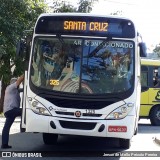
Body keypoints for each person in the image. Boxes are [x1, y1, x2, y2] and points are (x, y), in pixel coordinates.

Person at [1, 75, 24, 149]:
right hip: (11, 110)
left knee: (6, 128)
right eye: (17, 84)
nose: (18, 85)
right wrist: (25, 73)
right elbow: (19, 80)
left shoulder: (15, 90)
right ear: (13, 83)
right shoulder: (11, 87)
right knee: (25, 112)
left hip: (9, 111)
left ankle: (4, 144)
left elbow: (23, 89)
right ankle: (23, 127)